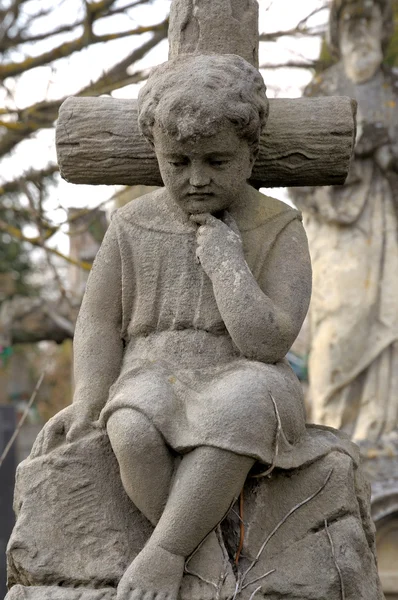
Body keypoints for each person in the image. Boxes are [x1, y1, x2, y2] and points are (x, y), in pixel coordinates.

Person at [37, 54, 355, 600]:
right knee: (131, 427)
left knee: (239, 410)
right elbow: (98, 320)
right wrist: (90, 398)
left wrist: (229, 264)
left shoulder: (277, 226)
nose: (197, 178)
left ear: (251, 153)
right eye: (178, 161)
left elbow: (268, 342)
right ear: (157, 154)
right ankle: (202, 553)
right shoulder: (133, 223)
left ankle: (166, 551)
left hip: (244, 371)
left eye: (216, 160)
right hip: (154, 368)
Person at [292, 0, 398, 443]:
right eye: (348, 21)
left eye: (367, 20)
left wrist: (388, 154)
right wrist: (353, 151)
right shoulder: (319, 93)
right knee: (334, 335)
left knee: (387, 329)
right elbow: (296, 175)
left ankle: (381, 432)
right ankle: (335, 433)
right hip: (335, 241)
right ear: (335, 32)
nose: (358, 32)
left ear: (383, 27)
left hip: (388, 232)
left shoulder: (396, 91)